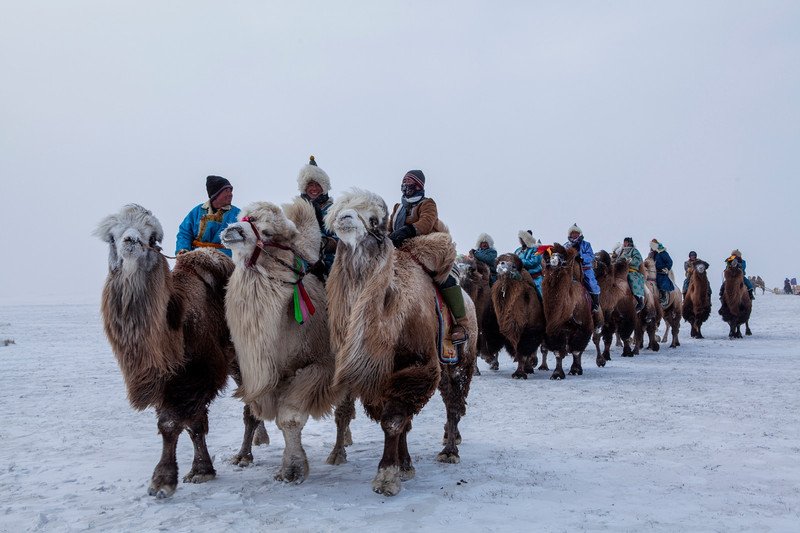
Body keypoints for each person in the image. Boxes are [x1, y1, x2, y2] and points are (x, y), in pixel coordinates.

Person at [388, 169, 468, 344]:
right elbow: (389, 228)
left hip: (425, 249)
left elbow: (426, 222)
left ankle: (461, 324)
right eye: (404, 183)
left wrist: (408, 230)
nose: (406, 187)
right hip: (399, 253)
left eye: (410, 183)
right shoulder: (397, 207)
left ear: (418, 186)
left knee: (444, 278)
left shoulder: (427, 204)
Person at [176, 175, 240, 257]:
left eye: (230, 191)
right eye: (226, 191)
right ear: (216, 194)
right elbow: (184, 233)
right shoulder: (197, 211)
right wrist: (183, 250)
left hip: (225, 259)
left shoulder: (237, 215)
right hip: (195, 256)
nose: (230, 194)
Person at [297, 155, 338, 280]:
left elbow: (340, 240)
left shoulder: (333, 210)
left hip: (327, 266)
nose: (314, 188)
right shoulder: (297, 209)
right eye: (310, 184)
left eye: (318, 184)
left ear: (324, 187)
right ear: (304, 187)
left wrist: (322, 243)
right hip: (300, 266)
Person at [564, 223, 601, 314]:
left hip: (585, 268)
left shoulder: (586, 244)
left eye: (576, 233)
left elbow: (590, 256)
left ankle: (595, 302)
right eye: (572, 233)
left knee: (591, 282)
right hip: (570, 270)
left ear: (579, 234)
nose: (574, 234)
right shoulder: (566, 245)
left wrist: (581, 256)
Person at [618, 237, 645, 312]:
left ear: (629, 243)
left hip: (631, 271)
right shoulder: (621, 251)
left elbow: (638, 260)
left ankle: (639, 301)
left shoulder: (634, 251)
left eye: (626, 242)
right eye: (624, 242)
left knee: (631, 279)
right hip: (621, 271)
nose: (624, 244)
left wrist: (630, 261)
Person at [514, 230, 543, 297]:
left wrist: (520, 262)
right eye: (520, 239)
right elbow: (513, 259)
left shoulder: (535, 249)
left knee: (541, 295)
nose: (520, 240)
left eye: (522, 239)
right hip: (520, 277)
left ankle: (545, 306)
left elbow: (534, 262)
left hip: (534, 278)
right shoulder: (518, 251)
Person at [649, 239, 674, 305]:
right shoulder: (651, 254)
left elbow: (669, 262)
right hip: (652, 271)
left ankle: (664, 296)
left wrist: (666, 268)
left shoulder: (663, 253)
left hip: (661, 272)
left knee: (661, 281)